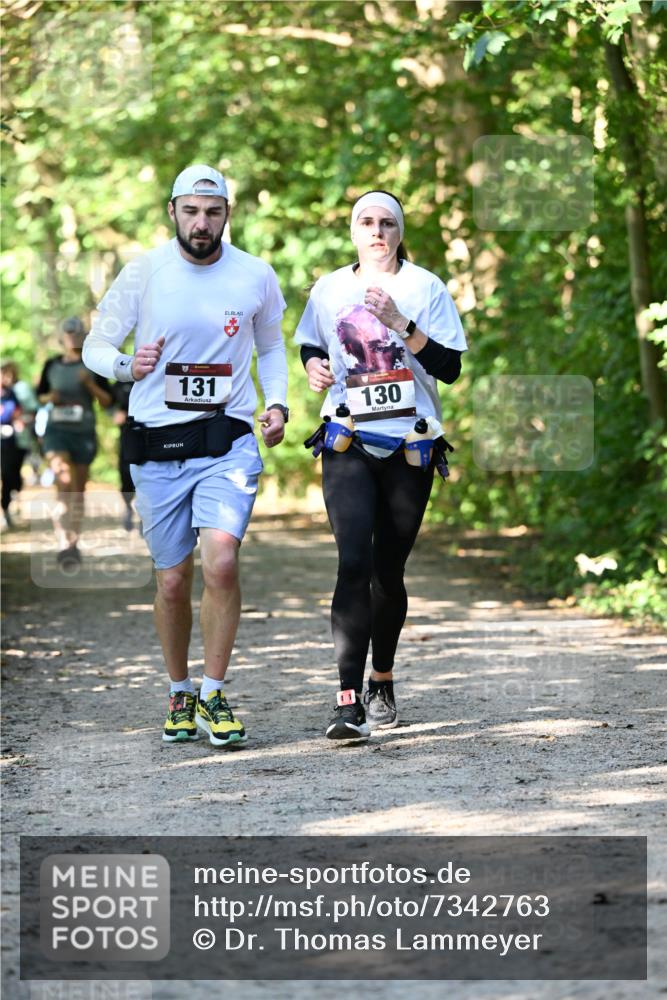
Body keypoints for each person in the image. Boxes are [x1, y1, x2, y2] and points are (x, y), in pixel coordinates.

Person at [83, 164, 288, 749]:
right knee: (172, 580)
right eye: (192, 211)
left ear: (227, 215)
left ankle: (214, 693)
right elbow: (97, 345)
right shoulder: (143, 271)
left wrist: (277, 403)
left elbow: (272, 346)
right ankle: (179, 691)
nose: (202, 223)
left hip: (228, 440)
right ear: (172, 211)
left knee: (221, 562)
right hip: (158, 445)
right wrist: (127, 367)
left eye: (213, 212)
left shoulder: (255, 274)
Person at [295, 190, 467, 741]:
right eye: (366, 222)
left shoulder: (425, 287)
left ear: (399, 231)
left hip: (410, 444)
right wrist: (314, 367)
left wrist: (400, 322)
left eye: (387, 223)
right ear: (353, 231)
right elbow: (309, 345)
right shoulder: (329, 289)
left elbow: (450, 368)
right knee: (352, 562)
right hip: (347, 438)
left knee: (387, 572)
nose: (377, 231)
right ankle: (347, 701)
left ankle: (382, 679)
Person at [36, 319, 112, 565]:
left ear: (84, 336)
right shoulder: (51, 365)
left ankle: (73, 543)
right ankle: (62, 542)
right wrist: (50, 397)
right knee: (64, 480)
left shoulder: (93, 365)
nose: (72, 337)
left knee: (77, 490)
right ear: (62, 337)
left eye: (76, 333)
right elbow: (39, 397)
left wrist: (89, 385)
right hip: (56, 432)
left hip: (83, 434)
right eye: (68, 333)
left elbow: (108, 401)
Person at [110, 379, 136, 531]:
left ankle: (146, 515)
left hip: (153, 433)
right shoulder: (119, 383)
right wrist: (114, 414)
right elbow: (107, 403)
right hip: (126, 437)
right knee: (125, 475)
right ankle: (128, 507)